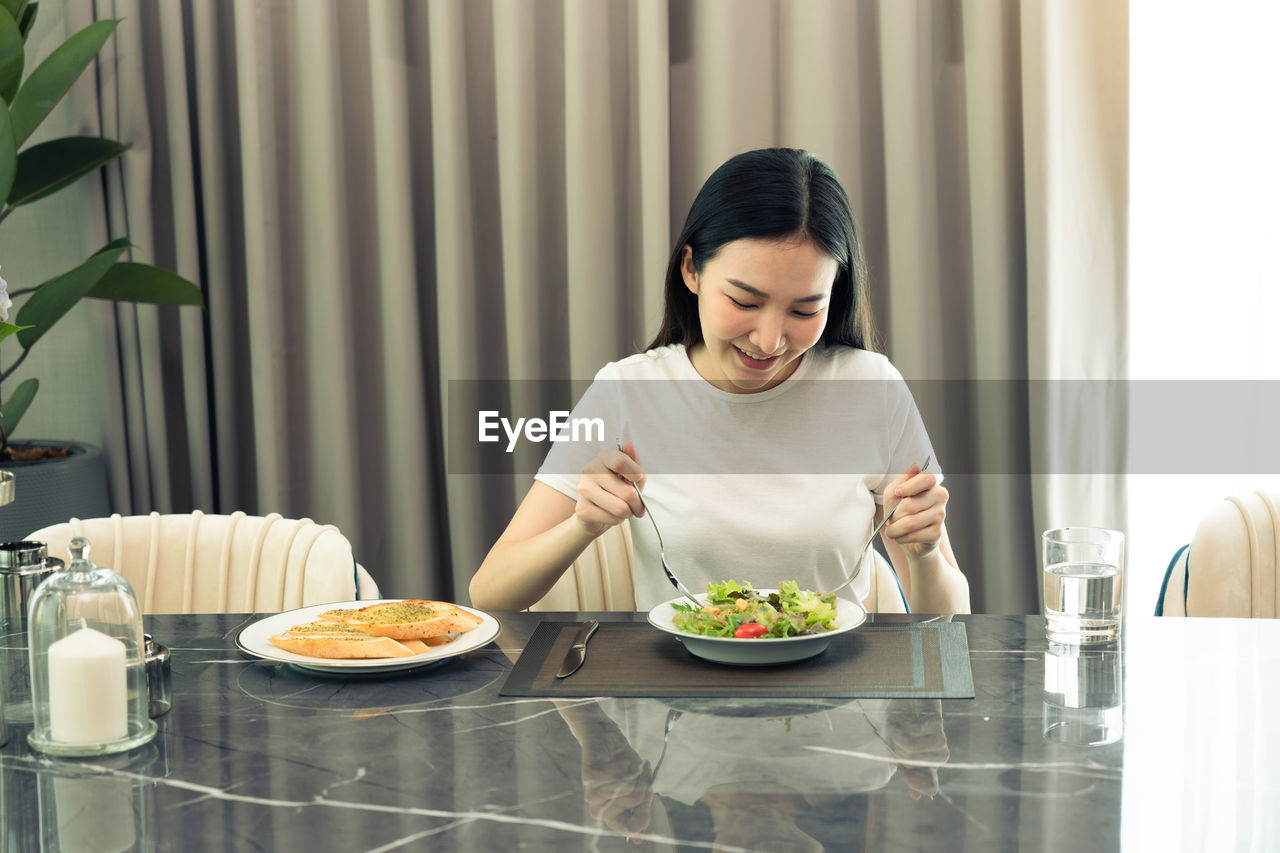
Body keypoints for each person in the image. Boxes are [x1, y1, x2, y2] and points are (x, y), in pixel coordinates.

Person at [470, 148, 969, 614]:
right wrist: (582, 525)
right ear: (692, 270)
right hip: (674, 696)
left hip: (839, 694)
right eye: (745, 303)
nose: (770, 341)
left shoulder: (870, 388)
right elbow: (491, 592)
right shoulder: (629, 389)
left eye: (804, 309)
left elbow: (952, 616)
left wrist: (924, 554)